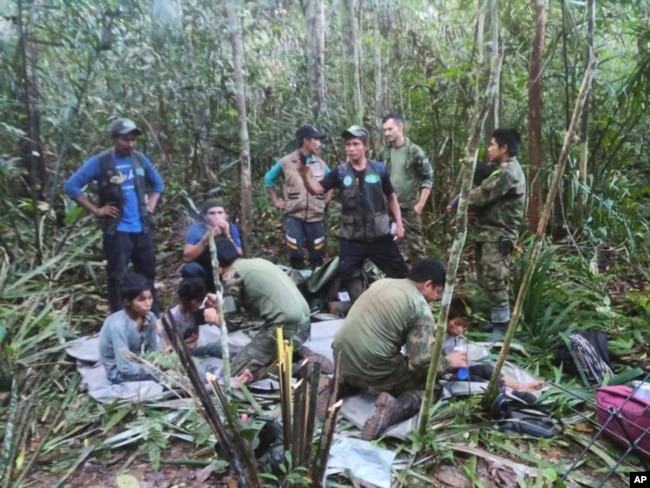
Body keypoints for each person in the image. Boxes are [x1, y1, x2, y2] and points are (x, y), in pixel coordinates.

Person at [332, 258, 468, 440]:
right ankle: (392, 410)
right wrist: (449, 361)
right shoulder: (420, 308)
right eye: (437, 292)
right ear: (427, 285)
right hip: (372, 365)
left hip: (340, 357)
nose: (435, 299)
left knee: (381, 359)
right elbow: (420, 362)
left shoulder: (382, 283)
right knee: (430, 389)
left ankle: (340, 385)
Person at [64, 118, 164, 314]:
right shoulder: (100, 162)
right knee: (117, 276)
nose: (130, 144)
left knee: (147, 274)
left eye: (133, 140)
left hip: (142, 228)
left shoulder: (139, 159)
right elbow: (71, 186)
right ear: (113, 138)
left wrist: (150, 205)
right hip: (118, 231)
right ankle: (120, 317)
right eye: (125, 140)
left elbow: (158, 184)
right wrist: (96, 210)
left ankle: (152, 316)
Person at [298, 125, 409, 301]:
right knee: (348, 273)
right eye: (348, 144)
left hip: (379, 234)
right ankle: (362, 306)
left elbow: (391, 197)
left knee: (400, 273)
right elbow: (316, 189)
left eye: (356, 144)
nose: (351, 148)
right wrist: (304, 175)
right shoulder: (340, 172)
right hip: (352, 237)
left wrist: (399, 224)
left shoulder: (379, 169)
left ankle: (402, 305)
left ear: (366, 147)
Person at [212, 238, 333, 381]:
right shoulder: (257, 263)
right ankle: (296, 354)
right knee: (257, 350)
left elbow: (232, 323)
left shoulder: (232, 275)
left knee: (233, 374)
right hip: (304, 325)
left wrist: (214, 317)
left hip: (284, 329)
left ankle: (299, 367)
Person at [464, 128, 526, 337]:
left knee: (495, 277)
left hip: (499, 234)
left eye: (492, 144)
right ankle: (496, 319)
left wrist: (460, 201)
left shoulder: (507, 173)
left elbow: (481, 195)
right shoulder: (499, 168)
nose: (488, 149)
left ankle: (503, 325)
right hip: (488, 231)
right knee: (484, 277)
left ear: (504, 148)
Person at [264, 125, 333, 270]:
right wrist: (276, 200)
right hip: (293, 215)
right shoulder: (286, 162)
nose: (319, 144)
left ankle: (317, 285)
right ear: (306, 141)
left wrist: (326, 200)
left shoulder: (320, 164)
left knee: (318, 253)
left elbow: (331, 181)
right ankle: (298, 283)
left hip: (316, 216)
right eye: (316, 140)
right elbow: (268, 179)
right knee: (295, 252)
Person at [442, 296, 543, 393]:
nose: (460, 330)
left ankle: (519, 387)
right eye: (457, 324)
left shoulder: (454, 337)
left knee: (486, 370)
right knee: (473, 380)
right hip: (444, 374)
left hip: (458, 371)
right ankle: (507, 393)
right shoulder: (437, 336)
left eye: (464, 327)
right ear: (446, 318)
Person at [377, 113, 434, 263]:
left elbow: (428, 177)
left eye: (390, 129)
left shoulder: (415, 152)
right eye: (384, 130)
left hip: (409, 208)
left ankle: (422, 281)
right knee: (388, 247)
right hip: (388, 208)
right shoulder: (383, 153)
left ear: (400, 127)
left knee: (417, 248)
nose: (387, 133)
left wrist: (420, 205)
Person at [99, 272, 162, 384]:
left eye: (150, 298)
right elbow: (124, 367)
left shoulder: (150, 317)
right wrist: (153, 370)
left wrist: (159, 363)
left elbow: (155, 349)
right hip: (119, 371)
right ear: (127, 301)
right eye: (141, 300)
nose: (148, 304)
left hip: (142, 362)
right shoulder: (118, 325)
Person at [182, 198, 243, 292]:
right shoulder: (197, 229)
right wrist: (206, 239)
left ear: (225, 215)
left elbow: (239, 254)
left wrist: (227, 235)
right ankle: (199, 298)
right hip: (206, 270)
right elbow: (187, 257)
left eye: (220, 212)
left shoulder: (231, 227)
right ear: (205, 217)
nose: (217, 216)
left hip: (227, 270)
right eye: (212, 213)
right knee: (190, 269)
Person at [161, 277, 226, 359]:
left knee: (219, 346)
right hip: (180, 354)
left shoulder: (195, 311)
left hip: (191, 346)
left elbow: (195, 336)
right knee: (213, 348)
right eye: (197, 301)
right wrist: (185, 345)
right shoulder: (173, 318)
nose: (199, 305)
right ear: (185, 300)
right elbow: (169, 346)